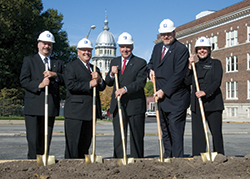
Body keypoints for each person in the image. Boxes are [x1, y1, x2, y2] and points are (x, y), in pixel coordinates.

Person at [148, 19, 190, 158]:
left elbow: (179, 75)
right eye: (163, 34)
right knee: (165, 130)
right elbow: (151, 63)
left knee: (175, 131)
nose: (165, 37)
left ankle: (177, 160)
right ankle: (167, 157)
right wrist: (150, 70)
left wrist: (163, 91)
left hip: (176, 98)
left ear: (174, 32)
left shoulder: (181, 49)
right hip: (161, 99)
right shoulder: (157, 48)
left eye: (168, 34)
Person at [20, 30, 64, 159]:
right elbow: (24, 80)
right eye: (44, 43)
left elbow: (65, 79)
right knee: (33, 140)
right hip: (33, 106)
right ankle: (33, 163)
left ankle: (44, 161)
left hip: (50, 106)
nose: (47, 46)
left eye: (49, 44)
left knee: (45, 139)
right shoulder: (29, 60)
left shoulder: (57, 63)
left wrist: (54, 75)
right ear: (38, 44)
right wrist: (39, 85)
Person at [105, 32, 147, 158]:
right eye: (122, 46)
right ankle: (118, 160)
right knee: (119, 137)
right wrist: (112, 74)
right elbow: (108, 82)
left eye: (128, 46)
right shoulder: (114, 61)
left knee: (136, 137)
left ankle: (137, 161)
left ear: (132, 47)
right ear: (119, 47)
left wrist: (125, 89)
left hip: (135, 105)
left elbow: (140, 83)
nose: (125, 49)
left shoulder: (140, 62)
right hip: (119, 106)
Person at [63, 38, 106, 159]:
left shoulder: (94, 68)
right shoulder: (71, 66)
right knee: (73, 145)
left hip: (90, 112)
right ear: (78, 52)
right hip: (75, 112)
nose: (86, 52)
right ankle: (71, 168)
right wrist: (89, 84)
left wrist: (99, 80)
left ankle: (83, 170)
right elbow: (70, 86)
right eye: (84, 50)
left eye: (89, 50)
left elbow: (102, 87)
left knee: (85, 144)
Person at [186, 36, 224, 156]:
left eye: (205, 48)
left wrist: (205, 92)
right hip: (198, 105)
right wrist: (189, 67)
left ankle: (219, 156)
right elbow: (187, 82)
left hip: (213, 104)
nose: (202, 51)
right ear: (196, 51)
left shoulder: (216, 63)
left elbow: (217, 82)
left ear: (209, 50)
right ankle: (198, 157)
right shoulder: (194, 66)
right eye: (199, 49)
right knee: (198, 135)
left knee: (216, 133)